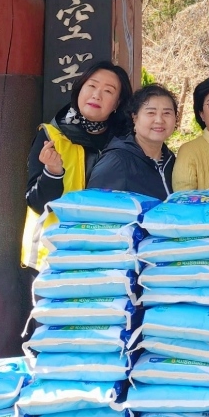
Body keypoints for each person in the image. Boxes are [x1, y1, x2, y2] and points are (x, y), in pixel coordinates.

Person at [23, 61, 132, 267]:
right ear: (80, 89)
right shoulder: (52, 135)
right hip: (56, 253)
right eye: (91, 86)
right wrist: (52, 172)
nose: (96, 95)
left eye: (108, 91)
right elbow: (37, 203)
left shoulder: (124, 143)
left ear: (117, 103)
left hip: (109, 251)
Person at [87, 84, 179, 205]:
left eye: (167, 113)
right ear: (134, 117)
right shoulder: (117, 161)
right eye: (151, 113)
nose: (159, 120)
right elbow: (93, 208)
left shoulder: (171, 160)